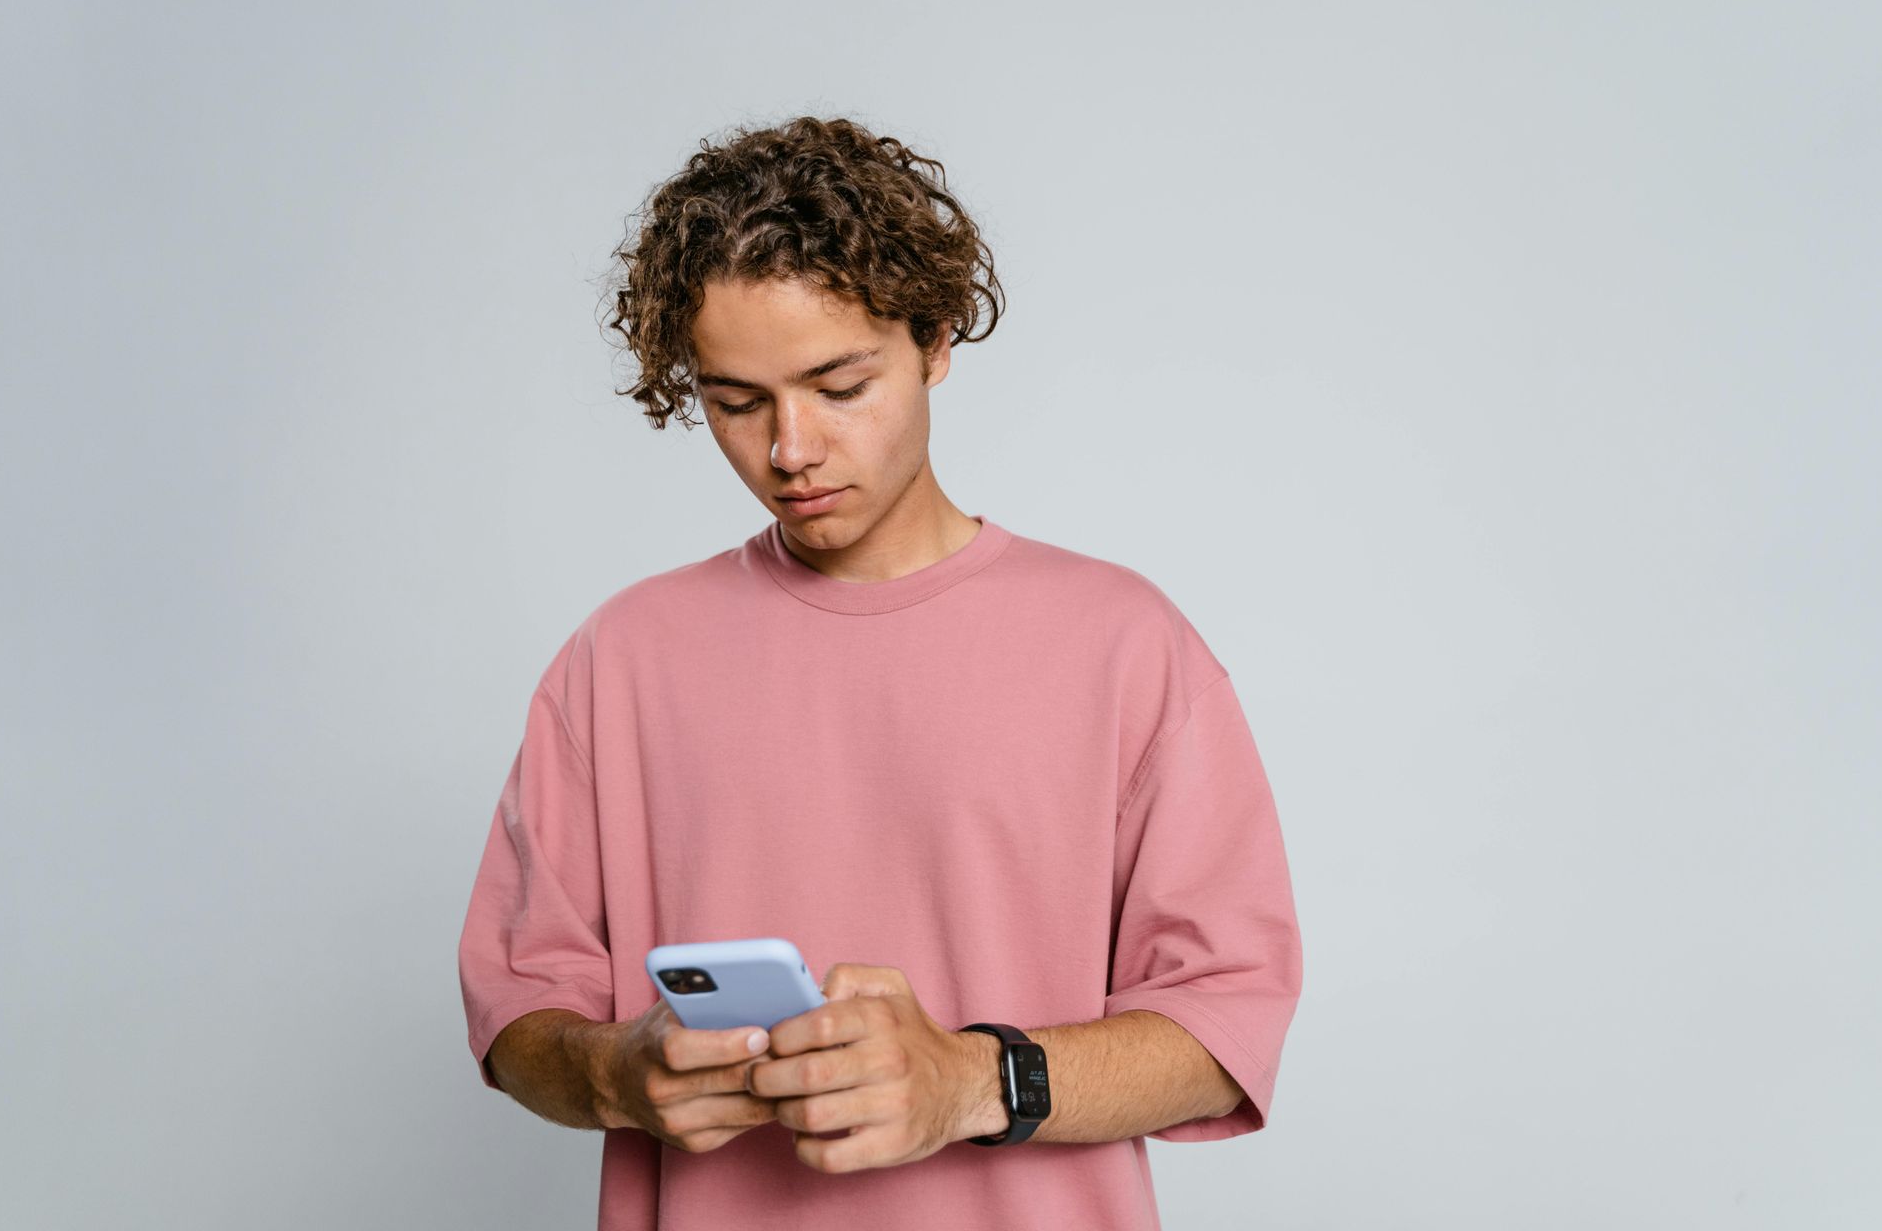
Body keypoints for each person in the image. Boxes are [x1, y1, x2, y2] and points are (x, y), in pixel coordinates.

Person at [456, 114, 1303, 1231]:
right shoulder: (620, 659)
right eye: (736, 402)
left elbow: (1225, 1028)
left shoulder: (1124, 642)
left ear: (936, 339)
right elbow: (518, 1013)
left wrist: (967, 1081)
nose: (790, 449)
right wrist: (618, 1072)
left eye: (838, 385)